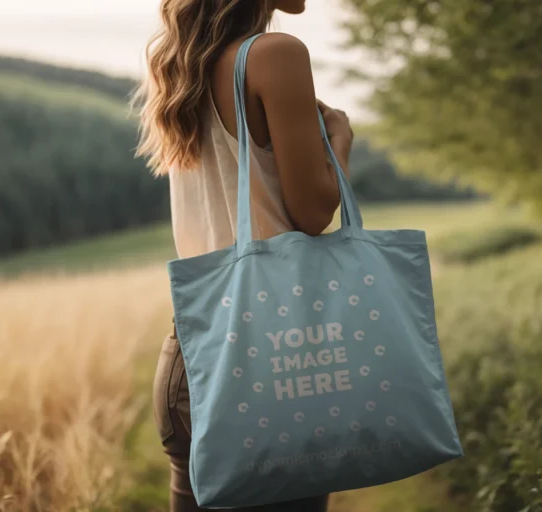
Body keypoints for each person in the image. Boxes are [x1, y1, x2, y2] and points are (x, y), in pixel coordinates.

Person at [134, 1, 354, 510]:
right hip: (276, 356)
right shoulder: (275, 55)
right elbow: (314, 211)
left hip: (191, 360)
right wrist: (339, 143)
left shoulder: (179, 62)